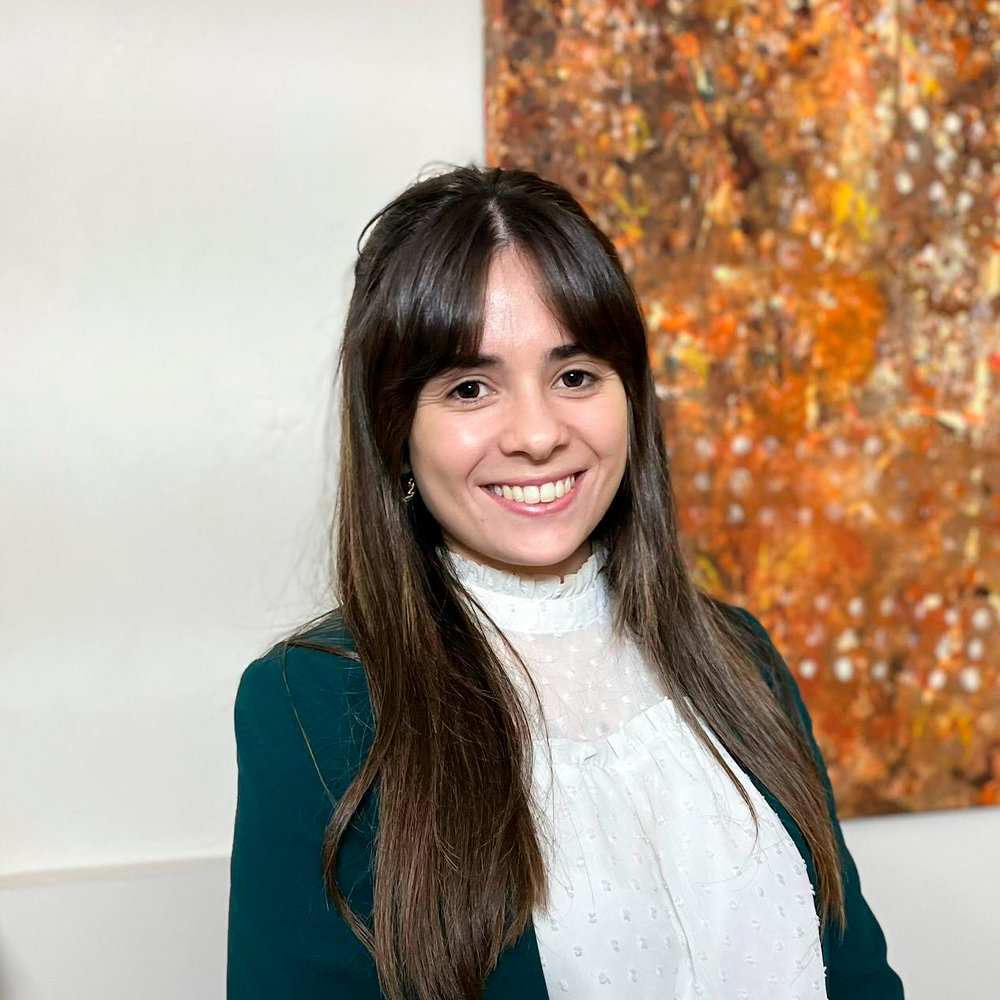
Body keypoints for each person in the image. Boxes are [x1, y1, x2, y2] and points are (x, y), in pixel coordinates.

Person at [227, 164, 904, 1000]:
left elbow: (858, 978)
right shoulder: (311, 701)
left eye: (575, 375)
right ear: (396, 430)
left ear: (631, 398)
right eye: (470, 388)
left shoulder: (740, 656)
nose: (538, 433)